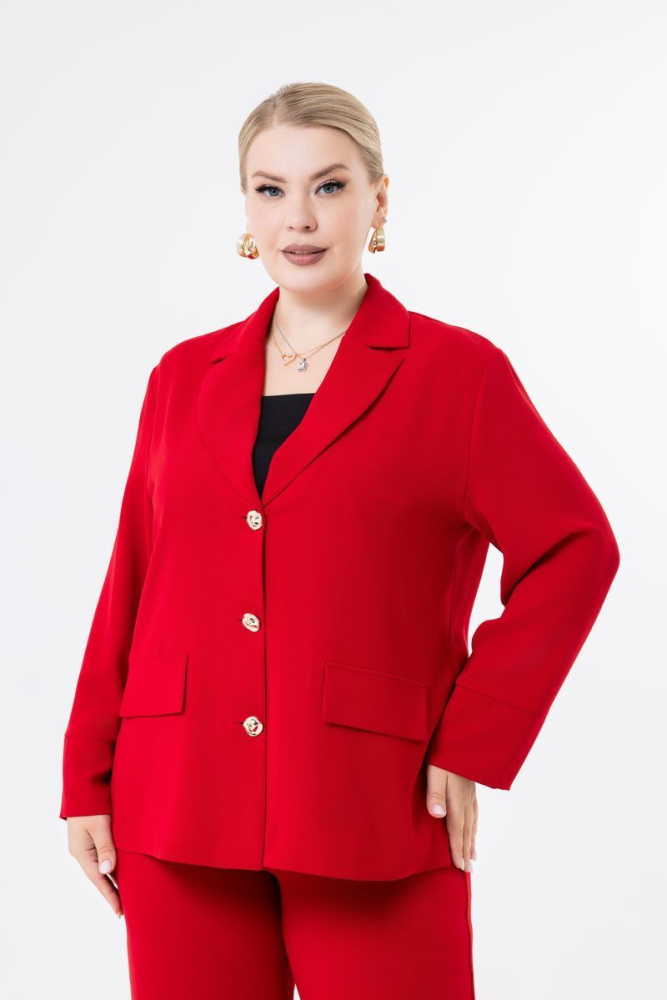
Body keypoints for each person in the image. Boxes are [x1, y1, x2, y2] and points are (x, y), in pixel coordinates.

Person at [59, 82, 620, 999]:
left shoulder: (457, 374)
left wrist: (470, 740)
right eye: (270, 190)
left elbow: (574, 549)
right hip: (177, 797)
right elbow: (134, 578)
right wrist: (86, 777)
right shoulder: (182, 376)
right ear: (245, 209)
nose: (299, 218)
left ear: (378, 200)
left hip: (372, 801)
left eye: (328, 186)